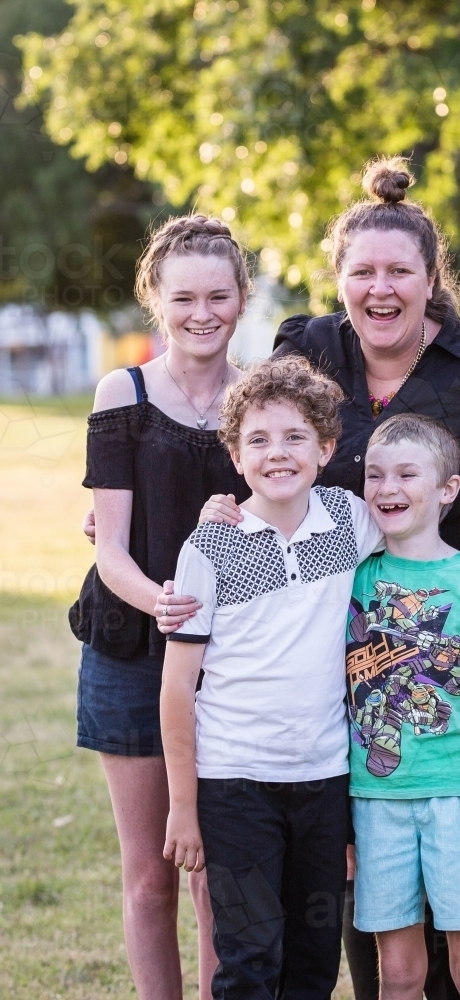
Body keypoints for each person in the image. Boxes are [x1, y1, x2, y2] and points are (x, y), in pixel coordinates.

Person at [182, 158, 460, 1000]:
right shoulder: (307, 346)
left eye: (399, 273)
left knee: (450, 930)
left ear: (433, 281)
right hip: (337, 654)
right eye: (362, 273)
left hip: (447, 657)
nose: (379, 290)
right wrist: (216, 507)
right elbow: (259, 443)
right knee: (370, 908)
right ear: (339, 279)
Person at [159, 355, 384, 1000]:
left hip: (324, 780)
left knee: (314, 963)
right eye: (257, 439)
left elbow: (416, 520)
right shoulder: (209, 547)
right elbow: (177, 689)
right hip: (234, 787)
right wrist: (183, 806)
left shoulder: (348, 520)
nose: (276, 454)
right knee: (250, 961)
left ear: (327, 447)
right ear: (234, 454)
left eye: (294, 437)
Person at [70, 214, 253, 1000]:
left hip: (235, 666)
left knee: (216, 870)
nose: (202, 313)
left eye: (218, 295)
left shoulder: (262, 398)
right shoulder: (126, 391)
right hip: (128, 651)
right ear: (155, 298)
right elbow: (109, 547)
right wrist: (166, 604)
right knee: (150, 874)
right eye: (184, 297)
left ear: (242, 298)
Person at [346, 412, 460, 1000]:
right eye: (374, 475)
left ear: (449, 489)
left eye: (406, 474)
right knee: (397, 973)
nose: (387, 488)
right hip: (375, 800)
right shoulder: (352, 577)